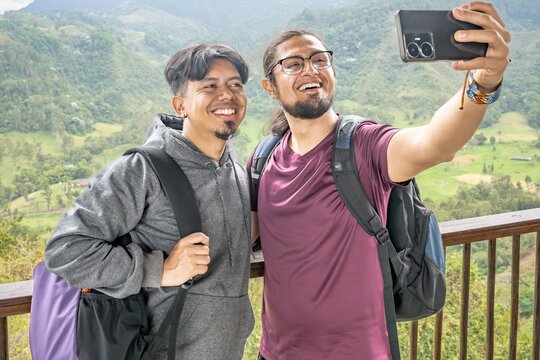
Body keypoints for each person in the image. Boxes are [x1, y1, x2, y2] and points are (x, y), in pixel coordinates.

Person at [249, 3, 510, 359]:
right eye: (293, 64)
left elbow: (435, 143)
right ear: (270, 87)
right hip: (276, 352)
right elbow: (242, 234)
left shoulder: (363, 144)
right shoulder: (263, 158)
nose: (310, 69)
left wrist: (483, 83)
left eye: (320, 59)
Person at [45, 43, 254, 359]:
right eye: (210, 86)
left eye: (235, 85)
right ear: (180, 104)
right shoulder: (142, 170)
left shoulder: (236, 170)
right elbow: (65, 250)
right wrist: (162, 270)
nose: (227, 94)